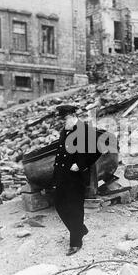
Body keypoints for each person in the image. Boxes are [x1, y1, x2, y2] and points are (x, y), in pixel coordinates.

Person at [52, 105, 102, 256]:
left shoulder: (84, 129)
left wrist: (80, 164)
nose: (64, 121)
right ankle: (80, 229)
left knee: (75, 207)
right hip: (62, 174)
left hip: (75, 176)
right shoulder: (65, 130)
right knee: (59, 204)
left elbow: (97, 150)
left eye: (65, 118)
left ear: (73, 115)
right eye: (63, 119)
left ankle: (75, 242)